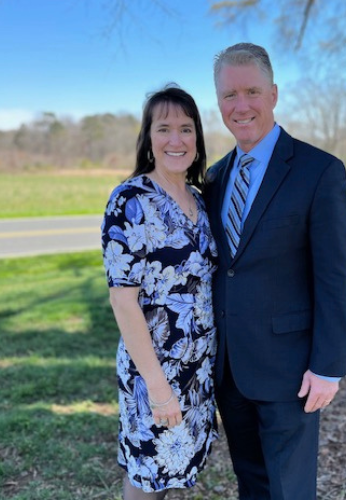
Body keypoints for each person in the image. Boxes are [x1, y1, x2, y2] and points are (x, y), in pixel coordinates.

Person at [204, 43, 346, 500]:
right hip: (230, 369)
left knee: (290, 490)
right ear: (218, 102)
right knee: (251, 483)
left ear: (273, 93)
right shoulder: (214, 177)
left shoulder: (319, 171)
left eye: (252, 91)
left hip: (291, 372)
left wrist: (328, 367)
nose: (241, 105)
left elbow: (336, 277)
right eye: (230, 95)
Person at [101, 85, 218, 500]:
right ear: (148, 138)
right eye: (164, 128)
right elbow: (122, 300)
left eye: (186, 129)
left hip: (197, 372)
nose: (176, 140)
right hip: (155, 372)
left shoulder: (201, 201)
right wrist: (157, 387)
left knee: (173, 469)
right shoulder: (130, 201)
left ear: (197, 139)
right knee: (148, 475)